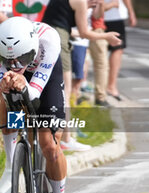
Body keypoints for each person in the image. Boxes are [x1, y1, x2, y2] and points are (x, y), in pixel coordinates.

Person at [0, 16, 73, 193]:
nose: (15, 65)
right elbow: (8, 94)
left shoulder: (49, 39)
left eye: (21, 59)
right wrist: (6, 83)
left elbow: (35, 94)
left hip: (45, 78)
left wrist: (25, 83)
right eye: (8, 60)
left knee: (49, 145)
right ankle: (10, 166)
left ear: (31, 48)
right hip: (16, 80)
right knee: (5, 96)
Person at [42, 0, 121, 151]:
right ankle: (66, 138)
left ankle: (50, 134)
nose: (94, 5)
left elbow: (60, 24)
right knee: (65, 91)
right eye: (95, 2)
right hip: (58, 42)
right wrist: (106, 36)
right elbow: (84, 32)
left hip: (46, 36)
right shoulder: (80, 2)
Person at [104, 0, 137, 100]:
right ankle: (111, 86)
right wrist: (131, 12)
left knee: (95, 50)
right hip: (113, 16)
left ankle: (89, 84)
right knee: (117, 49)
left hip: (94, 15)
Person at [89, 0, 119, 106]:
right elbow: (96, 14)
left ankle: (78, 96)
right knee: (101, 65)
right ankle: (100, 98)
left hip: (87, 29)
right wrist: (111, 4)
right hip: (95, 29)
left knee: (84, 64)